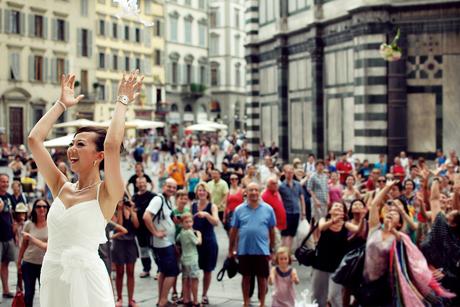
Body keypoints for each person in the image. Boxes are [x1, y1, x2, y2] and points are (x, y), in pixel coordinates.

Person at [28, 71, 141, 307]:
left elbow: (112, 145)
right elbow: (34, 140)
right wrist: (61, 104)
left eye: (80, 144)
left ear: (98, 156)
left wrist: (122, 101)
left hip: (87, 283)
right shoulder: (61, 186)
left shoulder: (108, 192)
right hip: (52, 276)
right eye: (71, 144)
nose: (72, 149)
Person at [229, 182, 275, 307]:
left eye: (256, 190)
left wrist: (272, 249)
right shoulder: (239, 210)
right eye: (251, 190)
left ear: (259, 192)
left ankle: (262, 303)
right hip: (244, 249)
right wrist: (231, 249)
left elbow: (272, 230)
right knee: (246, 277)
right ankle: (246, 302)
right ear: (246, 193)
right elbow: (233, 231)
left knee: (262, 278)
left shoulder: (268, 209)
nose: (254, 192)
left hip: (262, 250)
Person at [311, 202, 360, 306]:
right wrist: (333, 221)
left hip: (337, 266)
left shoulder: (345, 224)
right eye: (335, 206)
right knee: (317, 295)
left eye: (341, 207)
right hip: (321, 264)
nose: (338, 207)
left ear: (344, 213)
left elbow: (357, 230)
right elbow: (321, 228)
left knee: (334, 296)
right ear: (330, 211)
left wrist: (363, 216)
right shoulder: (324, 220)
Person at [143, 178, 179, 307]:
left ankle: (161, 300)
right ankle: (163, 301)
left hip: (167, 242)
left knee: (163, 271)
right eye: (169, 186)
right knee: (172, 272)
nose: (171, 189)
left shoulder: (167, 200)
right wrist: (155, 232)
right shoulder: (158, 199)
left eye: (174, 187)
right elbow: (146, 216)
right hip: (162, 243)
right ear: (164, 186)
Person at [17, 199, 50, 307]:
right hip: (28, 263)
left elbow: (48, 247)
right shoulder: (28, 225)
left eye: (44, 207)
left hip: (44, 265)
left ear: (47, 209)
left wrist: (31, 237)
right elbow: (24, 245)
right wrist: (18, 261)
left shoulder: (51, 225)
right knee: (29, 294)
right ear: (34, 209)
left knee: (45, 294)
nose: (41, 209)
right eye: (39, 206)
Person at [191, 182, 219, 305]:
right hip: (195, 241)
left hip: (208, 241)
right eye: (199, 190)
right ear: (197, 192)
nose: (201, 192)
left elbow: (216, 222)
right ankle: (194, 295)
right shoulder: (193, 205)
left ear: (207, 192)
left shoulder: (212, 206)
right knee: (194, 270)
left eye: (203, 190)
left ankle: (204, 294)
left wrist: (206, 214)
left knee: (207, 270)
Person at [113, 196, 140, 307]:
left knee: (130, 272)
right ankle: (119, 298)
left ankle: (131, 299)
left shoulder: (130, 208)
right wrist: (119, 210)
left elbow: (136, 225)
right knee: (119, 272)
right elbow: (118, 227)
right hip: (119, 243)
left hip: (131, 243)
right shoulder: (113, 209)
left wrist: (132, 210)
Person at [176, 213, 202, 307]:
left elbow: (177, 240)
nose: (189, 224)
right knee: (195, 279)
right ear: (182, 223)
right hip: (192, 259)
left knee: (185, 279)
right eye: (186, 222)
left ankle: (186, 299)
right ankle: (195, 301)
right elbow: (198, 242)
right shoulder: (189, 232)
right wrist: (199, 235)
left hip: (184, 259)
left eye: (190, 221)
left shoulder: (182, 232)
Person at [132, 176, 156, 278]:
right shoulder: (134, 198)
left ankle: (160, 270)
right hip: (139, 230)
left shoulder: (153, 196)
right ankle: (146, 269)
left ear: (147, 183)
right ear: (136, 185)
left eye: (143, 183)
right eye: (139, 183)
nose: (141, 185)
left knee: (154, 250)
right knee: (143, 251)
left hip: (151, 228)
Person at [279, 165, 305, 251]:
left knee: (292, 234)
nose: (289, 174)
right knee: (285, 234)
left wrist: (303, 211)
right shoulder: (281, 186)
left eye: (291, 172)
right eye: (287, 172)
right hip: (286, 213)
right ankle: (283, 252)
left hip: (296, 212)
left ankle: (288, 253)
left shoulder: (297, 184)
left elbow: (301, 198)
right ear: (284, 173)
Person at [0, 173, 16, 299]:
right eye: (2, 181)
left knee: (5, 264)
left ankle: (5, 290)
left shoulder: (9, 197)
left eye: (6, 181)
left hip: (8, 236)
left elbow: (12, 214)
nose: (5, 184)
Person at [261, 176, 287, 253]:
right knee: (277, 245)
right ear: (268, 185)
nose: (276, 185)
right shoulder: (265, 196)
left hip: (280, 224)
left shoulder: (276, 193)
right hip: (273, 226)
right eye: (273, 184)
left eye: (276, 183)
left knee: (278, 244)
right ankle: (276, 262)